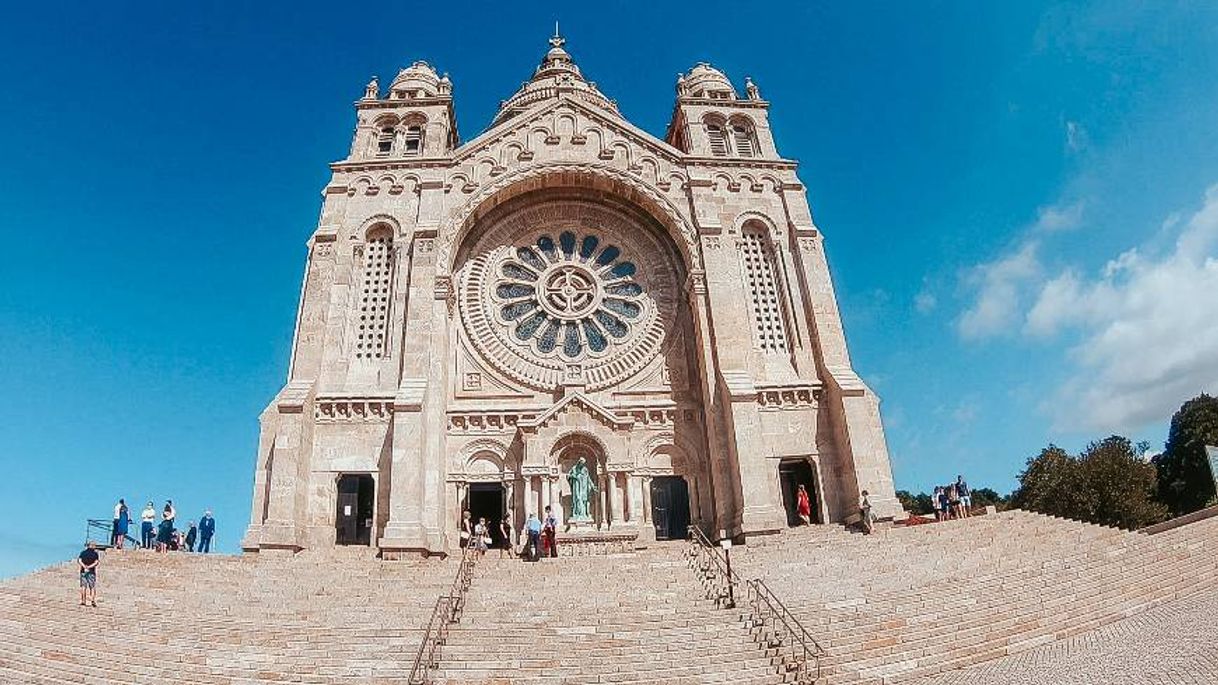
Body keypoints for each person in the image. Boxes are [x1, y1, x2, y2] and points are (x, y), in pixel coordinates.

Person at [78, 541, 100, 607]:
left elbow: (79, 560)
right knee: (92, 587)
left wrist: (84, 566)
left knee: (83, 586)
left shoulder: (83, 552)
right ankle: (92, 600)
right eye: (95, 546)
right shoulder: (95, 554)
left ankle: (83, 601)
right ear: (93, 546)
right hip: (91, 572)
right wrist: (89, 567)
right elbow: (96, 562)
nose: (95, 547)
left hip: (83, 571)